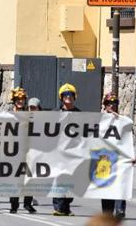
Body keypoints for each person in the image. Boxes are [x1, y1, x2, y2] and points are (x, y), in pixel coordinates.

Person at [7, 87, 37, 214]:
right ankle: (14, 204)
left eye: (22, 99)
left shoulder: (29, 113)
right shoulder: (8, 113)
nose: (20, 101)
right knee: (15, 179)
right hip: (13, 150)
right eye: (18, 99)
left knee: (29, 177)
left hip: (28, 149)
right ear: (14, 100)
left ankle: (27, 203)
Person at [53, 83, 80, 216]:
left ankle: (66, 207)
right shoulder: (55, 114)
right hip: (58, 153)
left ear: (74, 97)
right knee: (59, 180)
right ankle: (58, 207)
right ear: (61, 97)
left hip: (73, 153)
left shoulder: (81, 115)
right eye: (65, 95)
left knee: (71, 182)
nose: (68, 97)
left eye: (70, 95)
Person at [99, 93, 128, 218]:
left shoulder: (121, 119)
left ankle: (120, 209)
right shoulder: (99, 118)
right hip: (103, 156)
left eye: (114, 103)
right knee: (106, 185)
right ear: (105, 105)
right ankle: (107, 211)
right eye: (109, 103)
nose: (112, 106)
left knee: (120, 183)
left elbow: (128, 129)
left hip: (119, 155)